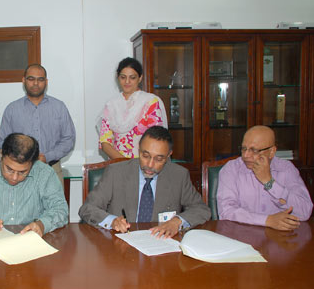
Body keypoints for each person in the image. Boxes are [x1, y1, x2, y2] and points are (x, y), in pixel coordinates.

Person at [79, 126, 210, 238]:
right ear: (139, 149)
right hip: (121, 247)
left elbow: (201, 209)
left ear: (169, 155)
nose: (150, 164)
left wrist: (177, 222)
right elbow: (87, 208)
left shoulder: (178, 175)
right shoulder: (116, 172)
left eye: (159, 159)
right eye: (145, 156)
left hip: (160, 246)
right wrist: (112, 221)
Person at [217, 125, 313, 231]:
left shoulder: (286, 169)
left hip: (279, 239)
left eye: (254, 150)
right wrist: (267, 220)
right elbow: (226, 212)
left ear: (271, 152)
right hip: (243, 235)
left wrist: (269, 182)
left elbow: (305, 212)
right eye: (244, 149)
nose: (246, 155)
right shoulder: (231, 169)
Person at [0, 63, 75, 187]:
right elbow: (3, 141)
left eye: (40, 79)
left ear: (46, 82)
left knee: (55, 206)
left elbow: (69, 139)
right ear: (23, 80)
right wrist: (20, 159)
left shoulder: (59, 107)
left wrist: (47, 157)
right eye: (31, 79)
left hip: (52, 170)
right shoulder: (12, 109)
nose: (35, 83)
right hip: (20, 173)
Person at [99, 57, 168, 159]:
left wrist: (137, 165)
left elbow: (157, 140)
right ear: (118, 77)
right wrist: (125, 164)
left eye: (132, 77)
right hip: (118, 164)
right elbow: (105, 142)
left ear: (140, 78)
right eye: (123, 77)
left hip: (145, 165)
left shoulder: (150, 102)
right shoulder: (111, 105)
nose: (127, 81)